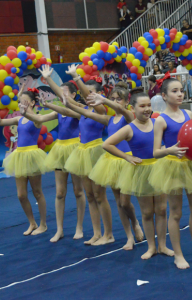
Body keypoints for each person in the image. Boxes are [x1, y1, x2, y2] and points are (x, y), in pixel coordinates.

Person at [149, 78, 192, 269]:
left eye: (181, 90)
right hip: (172, 166)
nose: (180, 94)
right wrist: (169, 150)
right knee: (176, 212)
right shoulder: (161, 120)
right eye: (174, 91)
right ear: (164, 96)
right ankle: (178, 255)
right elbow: (155, 152)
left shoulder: (189, 113)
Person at [62, 88, 144, 250]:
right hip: (111, 162)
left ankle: (135, 222)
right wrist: (67, 104)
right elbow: (87, 113)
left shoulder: (129, 117)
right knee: (119, 202)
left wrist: (105, 100)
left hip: (127, 161)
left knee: (126, 202)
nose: (115, 101)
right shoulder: (109, 119)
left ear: (127, 102)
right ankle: (128, 236)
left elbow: (122, 111)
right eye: (112, 98)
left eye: (118, 99)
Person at [18, 65, 86, 243]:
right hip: (60, 150)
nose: (61, 95)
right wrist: (27, 112)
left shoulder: (77, 110)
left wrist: (48, 100)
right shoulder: (59, 113)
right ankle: (60, 229)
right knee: (60, 192)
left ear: (73, 95)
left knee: (78, 191)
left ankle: (79, 227)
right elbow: (40, 118)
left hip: (75, 149)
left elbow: (65, 110)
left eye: (64, 92)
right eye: (59, 92)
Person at [103, 93, 174, 260]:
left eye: (149, 105)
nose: (147, 109)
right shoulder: (130, 128)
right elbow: (107, 144)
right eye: (142, 106)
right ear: (132, 108)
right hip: (141, 171)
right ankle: (151, 247)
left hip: (159, 168)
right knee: (148, 212)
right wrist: (126, 156)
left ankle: (162, 245)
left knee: (162, 209)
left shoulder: (158, 122)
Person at [62, 65, 114, 246]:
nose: (88, 96)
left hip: (96, 152)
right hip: (83, 153)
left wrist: (77, 77)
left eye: (92, 93)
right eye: (86, 93)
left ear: (100, 96)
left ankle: (109, 234)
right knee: (90, 195)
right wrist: (48, 81)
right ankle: (96, 232)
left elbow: (87, 97)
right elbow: (67, 100)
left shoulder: (100, 110)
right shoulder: (82, 110)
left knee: (100, 196)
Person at [0, 88, 47, 236]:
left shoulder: (37, 119)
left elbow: (36, 120)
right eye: (20, 101)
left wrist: (25, 112)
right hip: (19, 155)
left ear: (32, 102)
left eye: (24, 101)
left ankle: (43, 224)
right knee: (21, 195)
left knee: (37, 192)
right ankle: (32, 222)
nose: (21, 104)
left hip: (32, 156)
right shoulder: (19, 119)